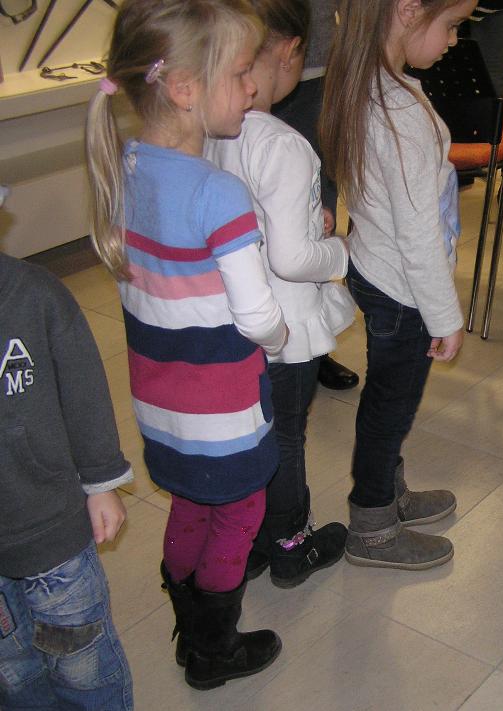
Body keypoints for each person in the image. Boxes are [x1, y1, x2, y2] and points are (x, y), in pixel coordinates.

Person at [85, 0, 288, 690]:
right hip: (223, 410)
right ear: (183, 88)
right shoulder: (218, 193)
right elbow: (257, 316)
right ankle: (212, 648)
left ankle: (187, 622)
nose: (253, 87)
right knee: (239, 513)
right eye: (240, 73)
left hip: (161, 406)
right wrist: (283, 337)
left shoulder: (124, 166)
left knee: (191, 504)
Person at [320, 0, 475, 569]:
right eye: (452, 24)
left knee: (386, 399)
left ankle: (389, 491)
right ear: (409, 10)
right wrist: (445, 316)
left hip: (376, 267)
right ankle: (373, 526)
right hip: (405, 291)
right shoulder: (400, 113)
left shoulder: (365, 81)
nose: (454, 40)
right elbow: (418, 235)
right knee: (391, 409)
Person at [205, 0, 351, 589]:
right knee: (287, 434)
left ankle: (254, 539)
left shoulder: (212, 131)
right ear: (292, 50)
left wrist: (306, 221)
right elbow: (292, 258)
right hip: (286, 328)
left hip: (235, 317)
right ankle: (291, 544)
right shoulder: (285, 144)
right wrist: (341, 251)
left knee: (255, 432)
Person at [0, 197, 133, 709]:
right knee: (13, 673)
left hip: (52, 535)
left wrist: (101, 483)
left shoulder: (36, 296)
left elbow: (84, 394)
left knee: (82, 667)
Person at [272, 0, 361, 392]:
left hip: (318, 69)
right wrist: (345, 253)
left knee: (318, 199)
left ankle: (314, 343)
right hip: (259, 56)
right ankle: (271, 336)